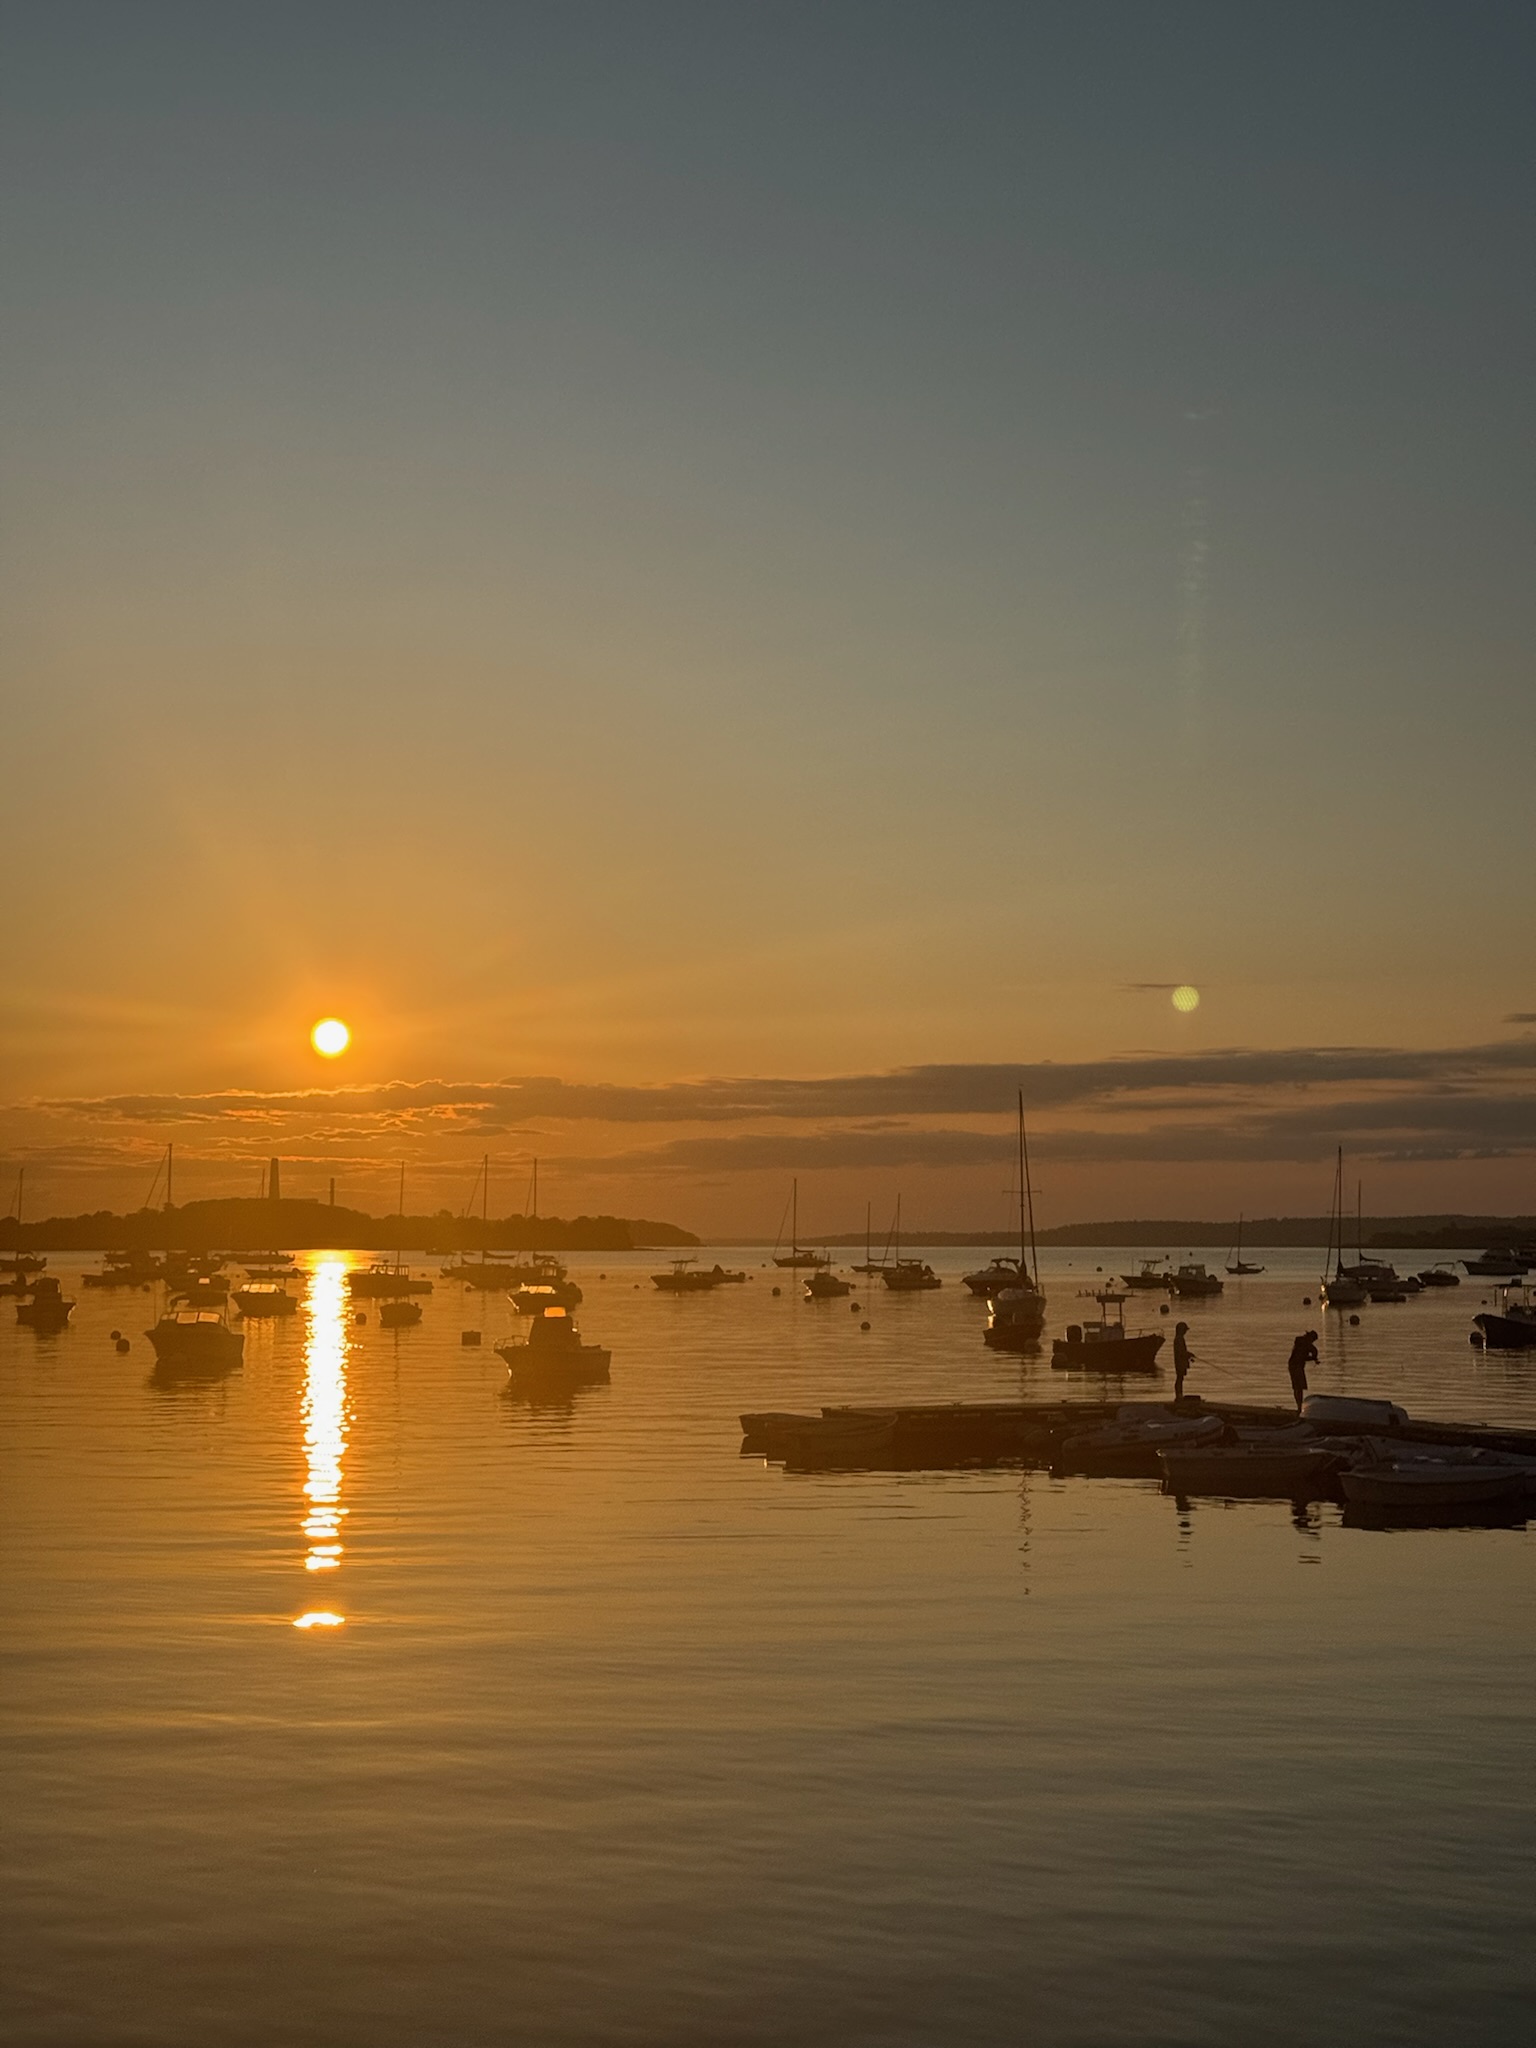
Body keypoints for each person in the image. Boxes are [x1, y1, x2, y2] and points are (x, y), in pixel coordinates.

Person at [1287, 1329, 1319, 1411]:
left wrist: (1313, 1357)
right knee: (1299, 1387)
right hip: (1296, 1366)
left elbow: (1304, 1356)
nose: (1313, 1342)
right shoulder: (1305, 1344)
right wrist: (1313, 1358)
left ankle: (1299, 1406)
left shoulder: (1300, 1342)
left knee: (1297, 1387)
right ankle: (1299, 1407)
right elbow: (1311, 1352)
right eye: (1313, 1340)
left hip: (1293, 1365)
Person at [1172, 1321, 1194, 1401]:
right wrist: (1188, 1354)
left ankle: (1179, 1394)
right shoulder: (1179, 1339)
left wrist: (1189, 1357)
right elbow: (1181, 1352)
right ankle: (1179, 1395)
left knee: (1180, 1378)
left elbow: (1181, 1352)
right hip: (1179, 1363)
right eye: (1184, 1330)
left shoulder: (1179, 1339)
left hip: (1180, 1362)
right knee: (1179, 1378)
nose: (1185, 1332)